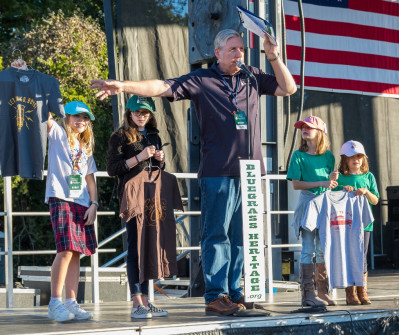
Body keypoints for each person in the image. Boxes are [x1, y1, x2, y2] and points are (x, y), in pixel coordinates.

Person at [92, 29, 297, 316]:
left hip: (250, 172)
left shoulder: (251, 76)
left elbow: (289, 89)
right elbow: (162, 86)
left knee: (243, 236)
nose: (239, 54)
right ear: (218, 53)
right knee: (217, 235)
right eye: (233, 49)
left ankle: (237, 293)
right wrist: (124, 86)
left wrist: (273, 56)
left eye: (241, 49)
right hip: (218, 171)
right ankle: (216, 295)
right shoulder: (202, 80)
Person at [106, 95, 167, 319]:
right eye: (138, 112)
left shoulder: (154, 135)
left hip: (152, 195)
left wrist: (160, 158)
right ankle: (136, 303)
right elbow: (112, 168)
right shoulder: (119, 136)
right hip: (132, 196)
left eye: (145, 112)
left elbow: (160, 167)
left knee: (149, 249)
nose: (141, 116)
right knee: (135, 248)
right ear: (129, 113)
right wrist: (139, 157)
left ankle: (146, 301)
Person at [45, 101, 98, 322]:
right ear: (66, 118)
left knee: (77, 252)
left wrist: (94, 204)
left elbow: (90, 179)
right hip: (61, 198)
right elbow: (44, 114)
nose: (81, 121)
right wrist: (24, 71)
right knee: (65, 250)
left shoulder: (85, 146)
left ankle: (71, 301)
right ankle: (55, 302)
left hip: (82, 202)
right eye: (76, 117)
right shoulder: (57, 134)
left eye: (85, 118)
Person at [286, 116, 338, 307]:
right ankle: (307, 294)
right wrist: (322, 182)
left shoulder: (329, 156)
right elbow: (296, 184)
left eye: (309, 127)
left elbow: (331, 184)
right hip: (308, 203)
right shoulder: (298, 156)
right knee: (307, 250)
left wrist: (333, 181)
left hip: (325, 204)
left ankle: (322, 292)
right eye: (303, 127)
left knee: (323, 249)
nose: (304, 129)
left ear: (320, 131)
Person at [333, 140, 379, 305]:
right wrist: (342, 190)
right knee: (347, 256)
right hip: (344, 224)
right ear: (344, 159)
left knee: (361, 256)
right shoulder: (340, 178)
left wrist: (366, 192)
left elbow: (375, 201)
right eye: (351, 157)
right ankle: (350, 293)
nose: (356, 160)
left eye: (359, 156)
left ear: (363, 159)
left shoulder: (368, 177)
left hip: (364, 225)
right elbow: (331, 197)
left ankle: (362, 290)